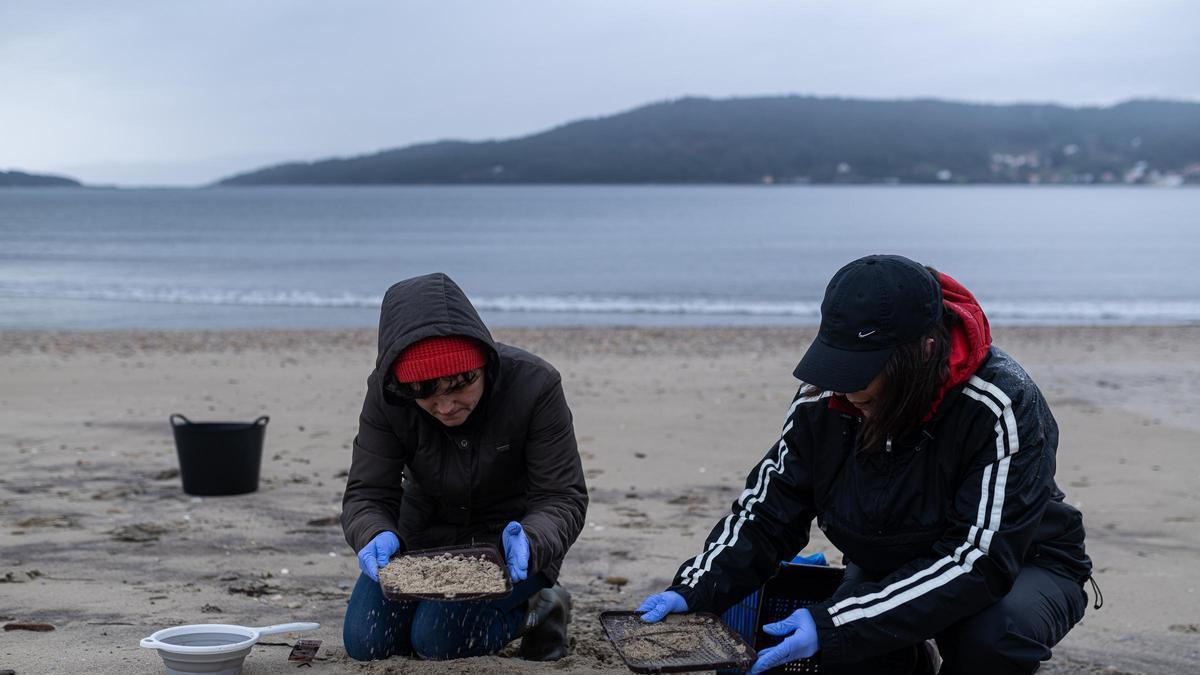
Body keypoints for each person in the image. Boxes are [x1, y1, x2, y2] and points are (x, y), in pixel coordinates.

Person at [637, 255, 1092, 674]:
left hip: (1022, 565)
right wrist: (694, 589)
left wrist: (837, 623)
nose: (850, 391)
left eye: (866, 369)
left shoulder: (998, 405)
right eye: (840, 364)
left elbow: (979, 560)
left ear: (926, 350)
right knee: (854, 655)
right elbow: (766, 513)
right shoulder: (824, 400)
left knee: (986, 640)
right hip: (885, 561)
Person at [340, 272, 588, 662]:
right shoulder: (387, 395)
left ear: (482, 366)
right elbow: (368, 493)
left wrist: (532, 540)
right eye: (425, 394)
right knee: (368, 643)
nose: (445, 406)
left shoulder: (535, 384)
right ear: (404, 388)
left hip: (510, 547)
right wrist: (374, 533)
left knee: (438, 641)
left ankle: (542, 607)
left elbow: (562, 497)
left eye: (459, 386)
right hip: (420, 541)